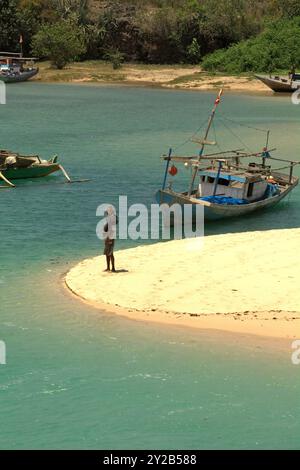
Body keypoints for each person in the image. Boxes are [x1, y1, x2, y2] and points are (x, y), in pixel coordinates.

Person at [103, 206, 117, 273]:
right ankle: (108, 267)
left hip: (110, 238)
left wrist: (110, 239)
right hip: (107, 238)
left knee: (110, 254)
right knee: (106, 253)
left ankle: (113, 268)